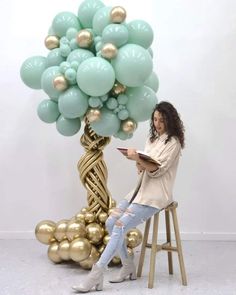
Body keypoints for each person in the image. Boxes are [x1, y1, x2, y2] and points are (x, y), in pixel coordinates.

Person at [72, 101, 185, 293]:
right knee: (110, 222)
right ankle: (128, 266)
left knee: (119, 225)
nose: (158, 123)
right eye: (155, 119)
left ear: (170, 120)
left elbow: (157, 170)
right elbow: (145, 168)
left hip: (156, 196)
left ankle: (96, 273)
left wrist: (138, 159)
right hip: (139, 191)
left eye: (162, 120)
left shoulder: (172, 142)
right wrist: (138, 162)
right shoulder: (152, 140)